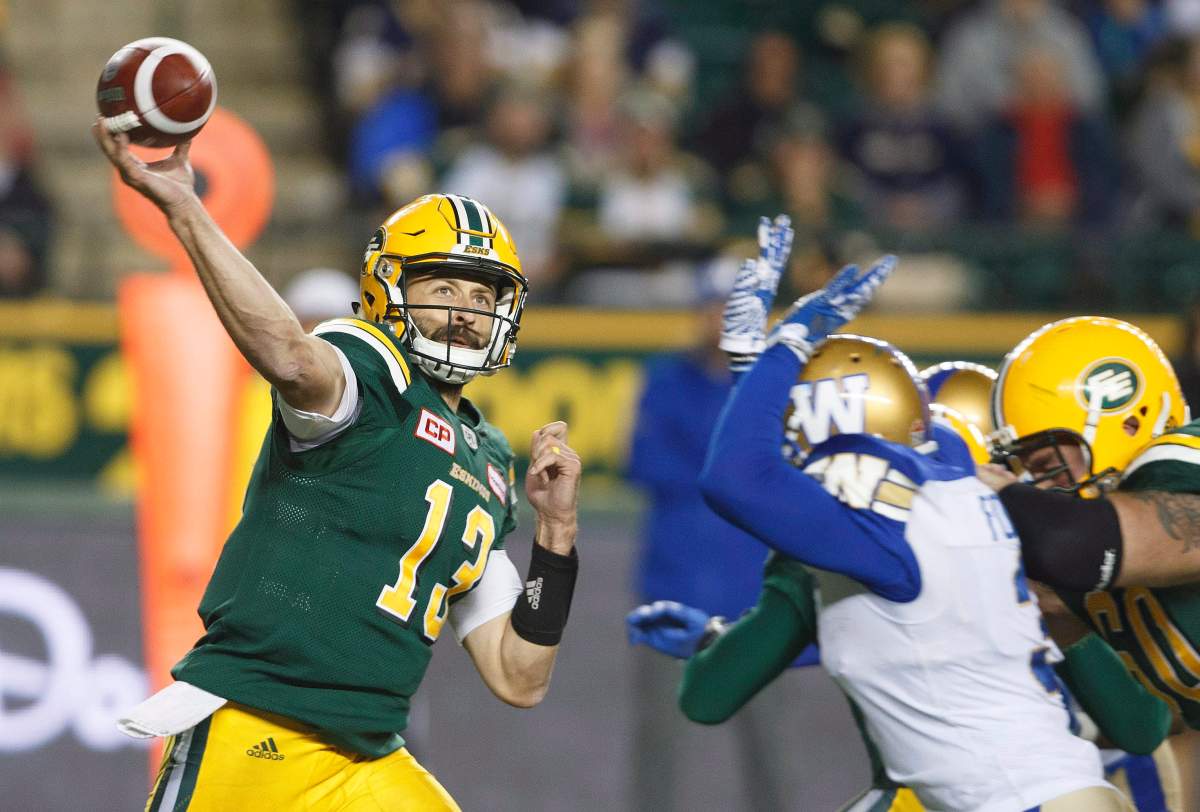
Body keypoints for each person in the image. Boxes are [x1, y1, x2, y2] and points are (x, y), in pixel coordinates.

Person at [93, 120, 582, 811]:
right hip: (255, 725)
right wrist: (185, 207)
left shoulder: (491, 463)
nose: (468, 313)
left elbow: (519, 676)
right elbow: (293, 361)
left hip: (369, 754)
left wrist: (557, 534)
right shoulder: (370, 372)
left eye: (484, 297)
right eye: (445, 289)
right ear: (391, 289)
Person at [692, 249, 1128, 809]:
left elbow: (738, 479)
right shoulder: (952, 487)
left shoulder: (888, 528)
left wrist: (781, 354)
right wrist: (757, 373)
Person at [624, 237, 807, 812]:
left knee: (774, 758)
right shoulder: (667, 379)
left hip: (759, 603)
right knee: (658, 757)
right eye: (716, 307)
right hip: (671, 594)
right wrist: (736, 470)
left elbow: (782, 481)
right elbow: (645, 463)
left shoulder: (777, 391)